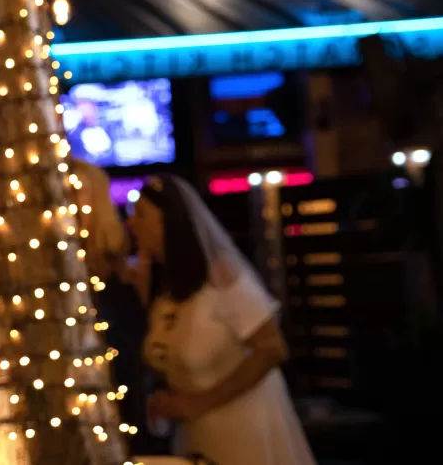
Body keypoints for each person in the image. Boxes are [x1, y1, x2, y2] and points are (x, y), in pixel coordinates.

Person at [125, 175, 314, 465]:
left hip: (244, 435)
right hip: (196, 438)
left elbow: (272, 349)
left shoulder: (223, 278)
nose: (132, 225)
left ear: (168, 223)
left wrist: (198, 403)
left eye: (142, 215)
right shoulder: (166, 288)